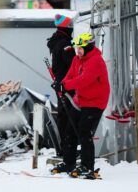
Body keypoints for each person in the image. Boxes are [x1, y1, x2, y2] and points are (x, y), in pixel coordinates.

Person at [51, 33, 110, 179]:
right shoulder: (77, 59)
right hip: (80, 100)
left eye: (80, 48)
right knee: (69, 131)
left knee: (84, 132)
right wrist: (61, 84)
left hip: (95, 102)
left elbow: (85, 80)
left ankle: (87, 166)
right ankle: (69, 162)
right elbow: (70, 75)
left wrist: (66, 86)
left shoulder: (96, 61)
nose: (77, 51)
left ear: (88, 46)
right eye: (77, 48)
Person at [47, 14, 75, 157]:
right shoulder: (65, 44)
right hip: (68, 86)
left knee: (63, 116)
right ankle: (68, 150)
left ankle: (65, 149)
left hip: (60, 84)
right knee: (69, 117)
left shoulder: (55, 41)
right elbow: (73, 65)